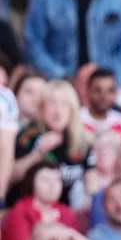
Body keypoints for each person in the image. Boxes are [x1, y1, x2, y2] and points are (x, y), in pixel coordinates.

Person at [11, 80, 91, 208]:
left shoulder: (83, 141)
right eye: (52, 103)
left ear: (73, 110)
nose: (58, 110)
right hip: (28, 210)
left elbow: (91, 180)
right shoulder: (28, 136)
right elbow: (8, 178)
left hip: (69, 214)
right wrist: (37, 153)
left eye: (64, 104)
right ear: (42, 107)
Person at [0, 161, 77, 240]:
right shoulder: (20, 210)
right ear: (32, 183)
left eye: (57, 180)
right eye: (45, 180)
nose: (52, 185)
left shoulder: (66, 212)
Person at [79, 68, 121, 142]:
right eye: (98, 90)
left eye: (110, 90)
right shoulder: (76, 119)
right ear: (88, 91)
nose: (103, 96)